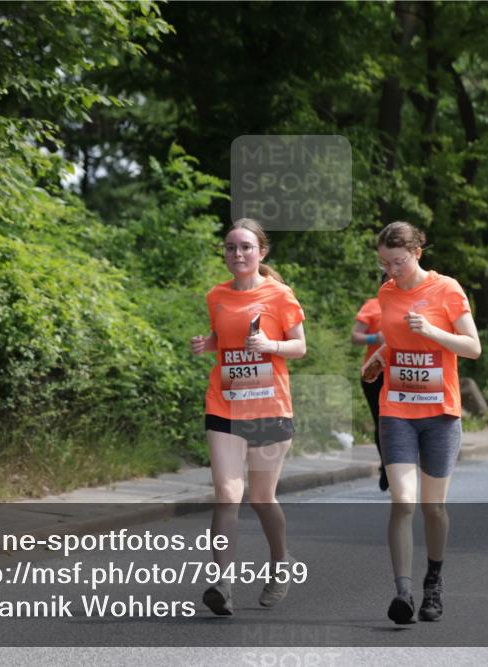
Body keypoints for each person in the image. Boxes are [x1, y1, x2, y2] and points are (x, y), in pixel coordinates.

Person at [361, 221, 481, 624]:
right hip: (397, 410)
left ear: (417, 252)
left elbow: (473, 347)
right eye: (384, 263)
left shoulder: (447, 290)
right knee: (402, 500)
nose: (390, 271)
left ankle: (434, 581)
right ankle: (403, 592)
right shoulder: (386, 293)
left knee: (433, 507)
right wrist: (380, 358)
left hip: (440, 415)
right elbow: (394, 339)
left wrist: (431, 330)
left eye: (397, 262)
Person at [190, 218, 307, 616]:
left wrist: (269, 344)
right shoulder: (216, 296)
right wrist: (209, 344)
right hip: (224, 403)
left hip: (269, 408)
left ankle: (280, 564)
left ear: (261, 252)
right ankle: (221, 583)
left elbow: (299, 347)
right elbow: (224, 338)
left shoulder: (279, 294)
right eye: (230, 248)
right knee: (226, 495)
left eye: (245, 247)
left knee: (260, 498)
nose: (237, 254)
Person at [351, 272, 389, 491]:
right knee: (382, 420)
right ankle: (386, 465)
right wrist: (376, 338)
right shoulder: (372, 306)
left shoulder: (414, 304)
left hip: (402, 372)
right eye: (387, 281)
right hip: (375, 372)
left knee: (399, 421)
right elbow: (355, 336)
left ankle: (399, 465)